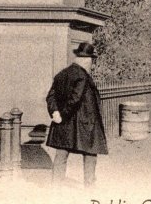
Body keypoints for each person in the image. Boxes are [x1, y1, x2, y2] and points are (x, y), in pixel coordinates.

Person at [46, 42, 108, 186]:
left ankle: (56, 187)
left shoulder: (61, 74)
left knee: (61, 154)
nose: (91, 64)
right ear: (87, 60)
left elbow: (50, 96)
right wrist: (63, 114)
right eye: (92, 60)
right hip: (84, 123)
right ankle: (89, 186)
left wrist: (55, 112)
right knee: (90, 153)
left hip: (64, 124)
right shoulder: (83, 76)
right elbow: (75, 99)